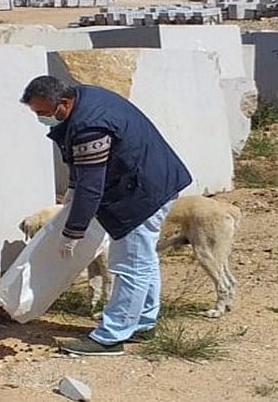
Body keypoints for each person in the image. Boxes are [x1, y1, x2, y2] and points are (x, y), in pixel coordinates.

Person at [20, 75, 192, 356]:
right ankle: (143, 323)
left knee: (129, 264)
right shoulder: (84, 96)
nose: (41, 118)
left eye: (42, 112)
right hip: (153, 181)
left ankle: (111, 336)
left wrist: (73, 232)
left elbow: (91, 186)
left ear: (63, 103)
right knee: (143, 259)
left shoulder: (90, 126)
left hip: (140, 194)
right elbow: (84, 170)